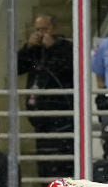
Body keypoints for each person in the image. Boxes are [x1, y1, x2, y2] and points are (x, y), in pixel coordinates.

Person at [17, 13, 73, 178]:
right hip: (40, 118)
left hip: (62, 115)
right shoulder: (35, 53)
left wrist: (52, 48)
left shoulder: (66, 47)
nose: (41, 33)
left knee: (63, 162)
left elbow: (66, 70)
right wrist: (28, 47)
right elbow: (19, 68)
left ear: (54, 29)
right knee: (44, 162)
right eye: (38, 30)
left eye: (45, 29)